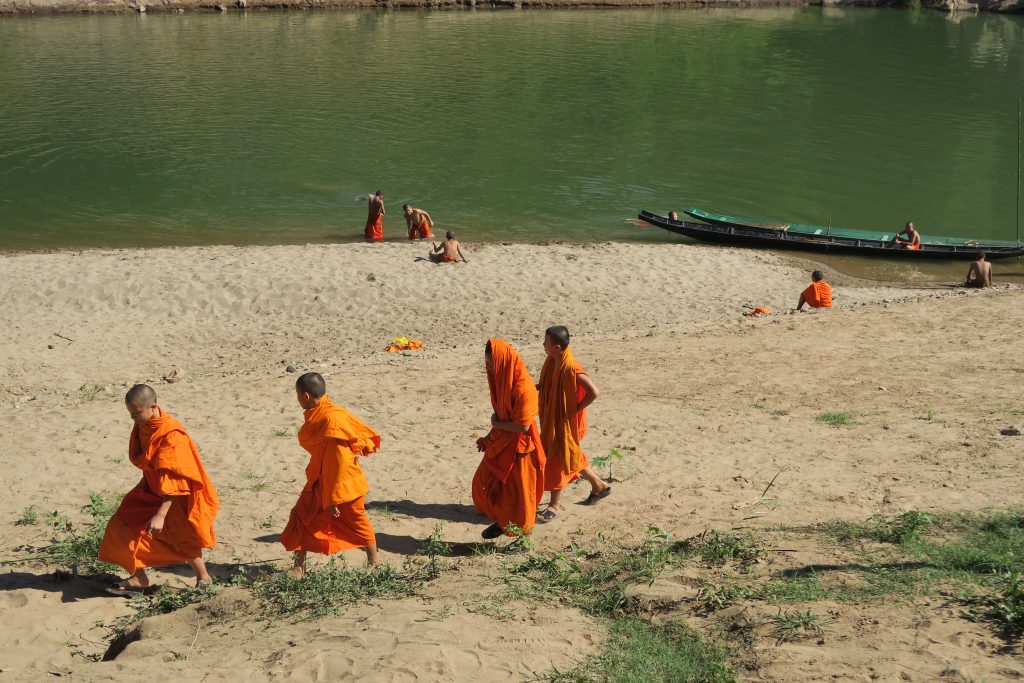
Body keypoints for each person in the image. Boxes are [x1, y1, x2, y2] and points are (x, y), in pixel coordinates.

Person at [99, 384, 219, 594]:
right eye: (131, 414)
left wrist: (161, 514)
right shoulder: (144, 425)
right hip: (151, 488)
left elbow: (175, 479)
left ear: (153, 406)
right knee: (121, 524)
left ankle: (204, 577)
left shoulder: (171, 435)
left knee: (183, 538)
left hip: (174, 496)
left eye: (136, 413)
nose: (133, 419)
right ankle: (139, 578)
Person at [280, 372, 380, 575]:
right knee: (301, 515)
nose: (298, 399)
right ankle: (299, 567)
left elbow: (339, 462)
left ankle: (374, 562)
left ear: (306, 396)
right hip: (321, 478)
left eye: (298, 395)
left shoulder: (331, 421)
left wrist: (333, 497)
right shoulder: (331, 412)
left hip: (343, 484)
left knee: (357, 521)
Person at [472, 339, 546, 540]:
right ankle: (502, 522)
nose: (489, 368)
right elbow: (504, 417)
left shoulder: (524, 388)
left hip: (522, 450)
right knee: (484, 484)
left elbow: (522, 425)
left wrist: (495, 425)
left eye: (491, 364)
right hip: (502, 444)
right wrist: (490, 436)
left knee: (520, 497)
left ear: (504, 361)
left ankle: (523, 538)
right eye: (487, 364)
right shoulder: (504, 382)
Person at [537, 326, 611, 522]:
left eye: (546, 342)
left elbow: (593, 392)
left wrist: (573, 410)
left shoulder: (570, 367)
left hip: (568, 422)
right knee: (572, 453)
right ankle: (598, 485)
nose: (543, 345)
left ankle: (554, 504)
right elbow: (550, 386)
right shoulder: (553, 361)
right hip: (557, 419)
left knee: (557, 457)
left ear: (557, 347)